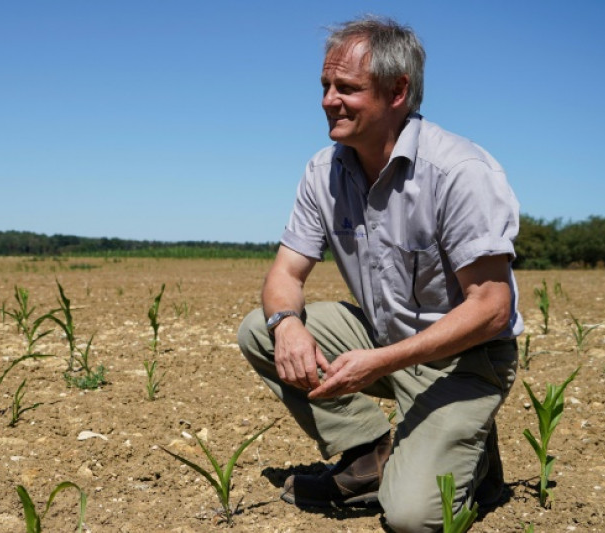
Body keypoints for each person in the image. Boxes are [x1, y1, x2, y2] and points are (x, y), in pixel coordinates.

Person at [237, 15, 522, 533]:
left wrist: (380, 362)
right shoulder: (324, 171)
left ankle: (477, 463)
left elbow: (491, 307)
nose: (328, 100)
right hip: (384, 341)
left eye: (346, 88)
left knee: (412, 518)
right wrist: (288, 323)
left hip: (463, 359)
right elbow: (285, 272)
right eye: (325, 86)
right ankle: (366, 458)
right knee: (260, 328)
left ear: (397, 91)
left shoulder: (459, 171)